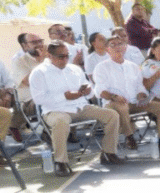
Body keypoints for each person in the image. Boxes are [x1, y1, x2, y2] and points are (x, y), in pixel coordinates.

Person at [30, 41, 123, 176]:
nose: (65, 59)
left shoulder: (75, 69)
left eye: (67, 56)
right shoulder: (39, 72)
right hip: (55, 110)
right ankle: (60, 162)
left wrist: (88, 90)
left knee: (112, 115)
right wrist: (64, 96)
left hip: (80, 106)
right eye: (61, 57)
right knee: (61, 121)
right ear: (49, 56)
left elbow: (89, 89)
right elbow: (38, 99)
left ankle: (109, 153)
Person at [93, 36, 160, 156]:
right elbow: (100, 90)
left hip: (134, 102)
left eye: (120, 44)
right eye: (113, 45)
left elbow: (140, 87)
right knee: (121, 106)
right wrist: (114, 96)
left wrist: (141, 95)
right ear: (107, 49)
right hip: (113, 103)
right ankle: (129, 136)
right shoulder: (101, 67)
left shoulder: (132, 66)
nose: (117, 47)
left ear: (125, 47)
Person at [12, 33, 46, 132]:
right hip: (30, 101)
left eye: (40, 41)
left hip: (50, 95)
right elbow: (30, 81)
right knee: (49, 101)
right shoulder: (19, 61)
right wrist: (41, 61)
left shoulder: (50, 59)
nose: (39, 44)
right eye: (34, 42)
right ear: (25, 46)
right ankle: (48, 133)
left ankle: (69, 131)